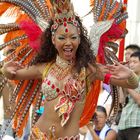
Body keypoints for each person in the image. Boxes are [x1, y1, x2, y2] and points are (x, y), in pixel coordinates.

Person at [0, 0, 139, 139]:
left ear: (79, 40)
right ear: (53, 40)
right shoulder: (45, 67)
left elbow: (132, 84)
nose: (68, 42)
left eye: (73, 37)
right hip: (39, 135)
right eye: (62, 37)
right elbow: (14, 75)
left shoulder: (89, 70)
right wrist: (6, 69)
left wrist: (130, 75)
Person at [117, 51, 140, 140]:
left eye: (135, 62)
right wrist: (120, 82)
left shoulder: (129, 82)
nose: (131, 65)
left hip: (136, 124)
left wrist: (127, 84)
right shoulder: (128, 80)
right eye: (130, 62)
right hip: (123, 123)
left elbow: (139, 100)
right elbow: (121, 101)